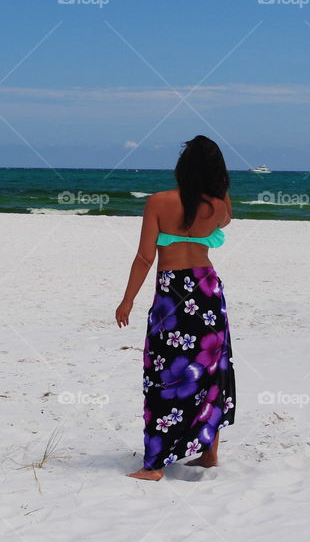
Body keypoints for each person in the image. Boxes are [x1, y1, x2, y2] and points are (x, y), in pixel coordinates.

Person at [116, 135, 236, 481]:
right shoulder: (220, 204)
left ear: (182, 167)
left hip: (172, 295)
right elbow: (225, 222)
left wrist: (128, 299)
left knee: (165, 374)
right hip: (207, 291)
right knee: (211, 370)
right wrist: (218, 188)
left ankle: (154, 466)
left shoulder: (158, 202)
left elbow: (144, 257)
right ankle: (209, 452)